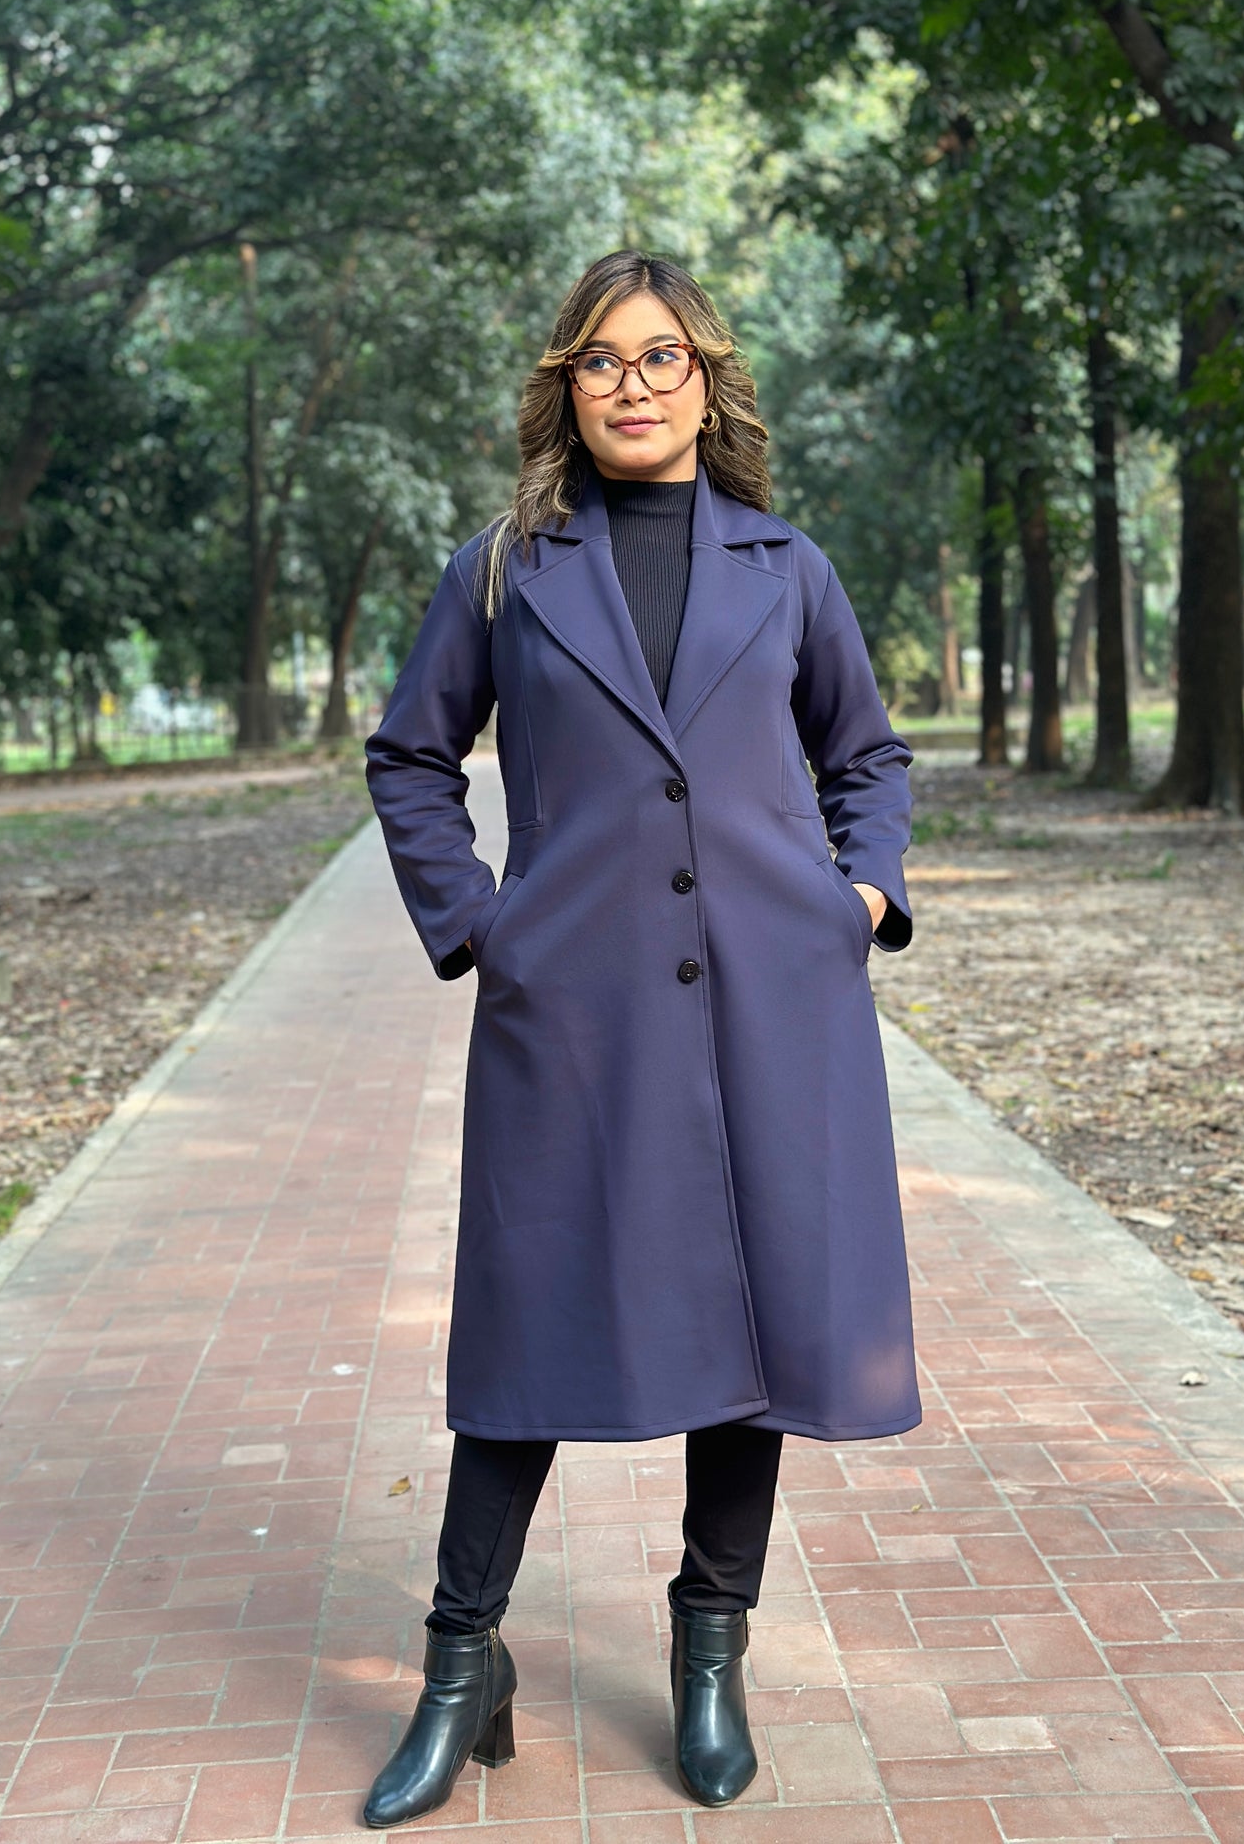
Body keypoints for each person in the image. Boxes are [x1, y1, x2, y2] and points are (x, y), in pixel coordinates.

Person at [361, 249, 918, 1829]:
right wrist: (483, 923)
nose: (631, 383)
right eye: (600, 360)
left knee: (756, 1325)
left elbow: (865, 755)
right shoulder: (501, 570)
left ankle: (708, 1650)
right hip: (574, 1013)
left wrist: (860, 897)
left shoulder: (785, 565)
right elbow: (410, 756)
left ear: (705, 379)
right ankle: (460, 1664)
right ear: (566, 385)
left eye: (660, 356)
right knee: (526, 1324)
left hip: (774, 1003)